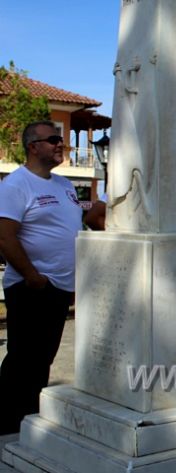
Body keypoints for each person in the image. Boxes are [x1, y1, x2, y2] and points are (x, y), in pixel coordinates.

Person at [0, 121, 83, 434]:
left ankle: (30, 420)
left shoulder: (65, 185)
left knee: (43, 358)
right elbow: (5, 237)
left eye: (60, 139)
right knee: (23, 359)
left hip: (59, 288)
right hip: (31, 286)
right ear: (32, 146)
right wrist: (33, 276)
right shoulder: (15, 185)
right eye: (52, 139)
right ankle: (7, 426)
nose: (60, 144)